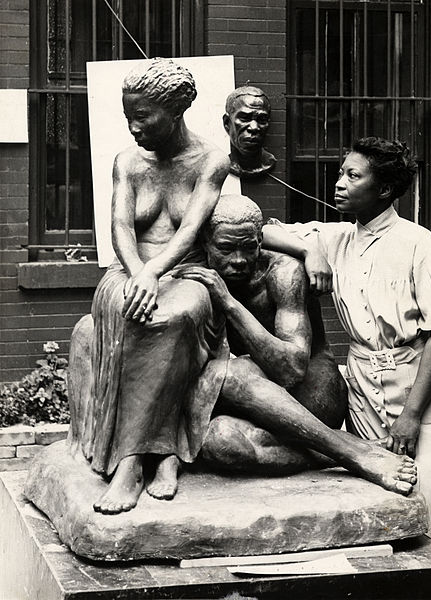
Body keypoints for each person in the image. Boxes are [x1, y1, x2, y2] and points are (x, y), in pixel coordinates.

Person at [262, 137, 431, 556]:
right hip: (362, 391)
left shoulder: (417, 242)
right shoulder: (336, 238)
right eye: (341, 172)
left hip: (419, 389)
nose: (339, 183)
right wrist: (307, 249)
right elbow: (256, 231)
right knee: (378, 506)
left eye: (353, 176)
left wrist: (410, 417)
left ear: (385, 190)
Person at [69, 57, 230, 515]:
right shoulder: (127, 161)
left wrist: (156, 272)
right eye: (128, 117)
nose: (134, 127)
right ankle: (155, 458)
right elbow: (120, 226)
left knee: (173, 316)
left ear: (176, 110)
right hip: (129, 268)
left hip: (187, 273)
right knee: (128, 308)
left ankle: (136, 461)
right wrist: (140, 270)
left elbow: (190, 229)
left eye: (143, 117)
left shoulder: (211, 160)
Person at [174, 194, 418, 495]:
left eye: (249, 248)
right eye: (226, 249)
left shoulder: (283, 273)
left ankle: (355, 456)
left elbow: (292, 368)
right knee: (218, 442)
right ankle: (344, 448)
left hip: (313, 393)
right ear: (205, 243)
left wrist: (229, 304)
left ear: (260, 241)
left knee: (227, 374)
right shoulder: (195, 268)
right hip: (256, 394)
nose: (238, 260)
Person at [223, 86, 276, 178]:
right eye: (245, 118)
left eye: (262, 119)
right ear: (227, 123)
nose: (254, 127)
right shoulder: (219, 164)